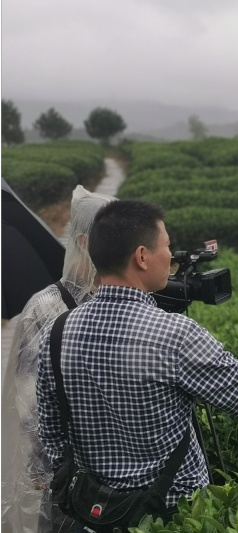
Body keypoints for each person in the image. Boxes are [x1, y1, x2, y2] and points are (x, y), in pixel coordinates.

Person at [36, 199, 238, 526]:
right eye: (167, 246)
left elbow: (51, 432)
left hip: (93, 512)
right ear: (142, 257)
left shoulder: (56, 332)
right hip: (171, 515)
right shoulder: (176, 335)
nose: (171, 257)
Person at [2, 185, 115, 533]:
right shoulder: (45, 307)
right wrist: (45, 469)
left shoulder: (121, 300)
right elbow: (28, 399)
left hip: (114, 471)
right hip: (68, 476)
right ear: (84, 242)